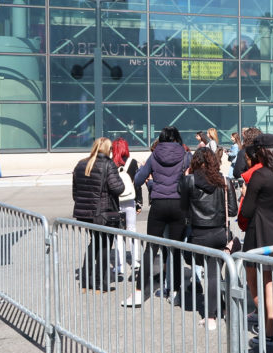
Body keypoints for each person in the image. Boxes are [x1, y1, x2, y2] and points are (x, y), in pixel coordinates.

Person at [123, 126, 191, 307]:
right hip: (178, 205)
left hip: (159, 204)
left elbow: (137, 180)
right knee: (175, 249)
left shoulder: (154, 156)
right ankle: (175, 292)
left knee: (151, 250)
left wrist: (152, 180)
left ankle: (138, 292)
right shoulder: (185, 155)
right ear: (177, 138)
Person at [239, 134, 273, 342]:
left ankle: (268, 331)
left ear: (263, 151)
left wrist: (245, 193)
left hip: (260, 232)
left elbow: (246, 210)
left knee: (265, 282)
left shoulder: (260, 175)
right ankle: (270, 328)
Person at [178, 147, 229, 330]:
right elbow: (231, 210)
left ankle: (211, 316)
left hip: (198, 232)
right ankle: (221, 308)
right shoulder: (223, 181)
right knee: (215, 272)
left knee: (212, 273)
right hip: (219, 232)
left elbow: (183, 208)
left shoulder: (188, 181)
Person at [72, 137, 124, 291]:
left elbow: (75, 193)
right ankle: (99, 282)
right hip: (103, 213)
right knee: (105, 246)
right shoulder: (108, 164)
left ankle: (86, 280)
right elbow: (118, 188)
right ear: (108, 149)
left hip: (86, 213)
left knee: (93, 244)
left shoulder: (81, 164)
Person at [111, 137, 142, 276]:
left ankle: (120, 265)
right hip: (130, 199)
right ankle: (135, 261)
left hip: (115, 201)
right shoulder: (132, 162)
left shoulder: (110, 163)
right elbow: (137, 183)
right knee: (132, 230)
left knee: (119, 234)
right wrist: (139, 202)